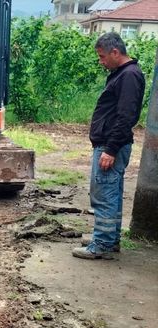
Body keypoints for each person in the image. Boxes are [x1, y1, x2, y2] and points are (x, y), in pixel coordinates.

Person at [72, 32, 145, 260]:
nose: (101, 62)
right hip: (110, 144)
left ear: (115, 52)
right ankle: (109, 238)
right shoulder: (122, 74)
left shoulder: (129, 76)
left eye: (103, 57)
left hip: (111, 146)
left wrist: (110, 149)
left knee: (104, 194)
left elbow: (126, 116)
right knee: (110, 192)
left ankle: (101, 244)